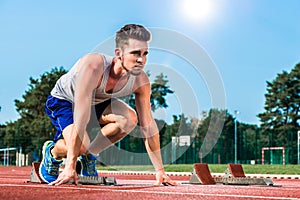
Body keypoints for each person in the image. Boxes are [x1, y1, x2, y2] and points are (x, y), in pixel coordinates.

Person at [39, 24, 178, 186]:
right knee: (80, 146)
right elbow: (81, 115)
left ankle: (89, 155)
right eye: (135, 53)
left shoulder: (141, 81)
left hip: (97, 102)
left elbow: (148, 126)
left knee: (129, 119)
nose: (141, 60)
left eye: (145, 53)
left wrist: (160, 171)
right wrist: (69, 165)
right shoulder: (93, 67)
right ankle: (52, 152)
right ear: (118, 54)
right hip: (65, 101)